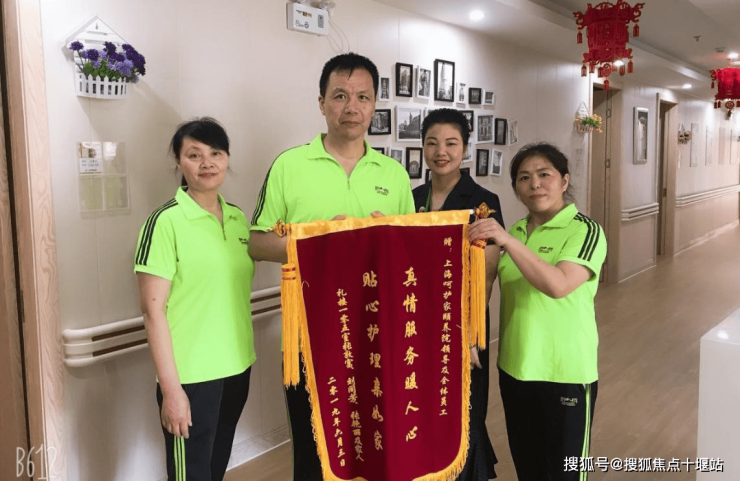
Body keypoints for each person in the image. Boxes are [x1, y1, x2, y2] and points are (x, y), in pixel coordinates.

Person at [249, 52, 415, 480]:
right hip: (311, 329)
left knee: (378, 438)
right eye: (340, 96)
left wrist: (388, 239)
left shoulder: (394, 174)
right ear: (321, 103)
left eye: (362, 97)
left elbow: (410, 254)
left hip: (379, 328)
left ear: (375, 105)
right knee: (315, 446)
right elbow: (257, 242)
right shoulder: (289, 165)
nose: (351, 107)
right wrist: (319, 242)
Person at [474, 142, 607, 481]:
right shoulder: (516, 231)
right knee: (529, 470)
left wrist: (508, 243)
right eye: (524, 178)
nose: (535, 184)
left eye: (544, 174)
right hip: (515, 370)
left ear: (564, 180)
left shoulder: (584, 230)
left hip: (565, 373)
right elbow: (479, 285)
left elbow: (559, 284)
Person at [134, 118, 255, 481]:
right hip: (191, 376)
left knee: (215, 468)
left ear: (227, 158)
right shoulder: (164, 222)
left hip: (237, 367)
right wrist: (172, 391)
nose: (207, 163)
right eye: (194, 154)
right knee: (191, 474)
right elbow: (152, 311)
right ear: (179, 161)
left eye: (216, 153)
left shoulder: (237, 218)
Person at [413, 108, 503, 480]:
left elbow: (487, 274)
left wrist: (467, 333)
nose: (441, 152)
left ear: (465, 149)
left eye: (451, 143)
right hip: (418, 321)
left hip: (463, 325)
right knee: (423, 408)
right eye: (432, 143)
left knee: (463, 411)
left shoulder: (482, 200)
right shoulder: (413, 198)